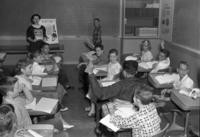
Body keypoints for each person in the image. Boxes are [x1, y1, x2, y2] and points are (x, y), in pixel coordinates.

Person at [86, 49, 121, 116]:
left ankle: (92, 108)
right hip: (107, 81)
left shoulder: (118, 66)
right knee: (92, 85)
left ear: (117, 57)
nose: (112, 58)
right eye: (110, 56)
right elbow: (107, 70)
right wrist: (101, 80)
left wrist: (102, 82)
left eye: (114, 57)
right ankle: (92, 106)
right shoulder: (110, 63)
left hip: (111, 84)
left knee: (94, 86)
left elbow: (115, 80)